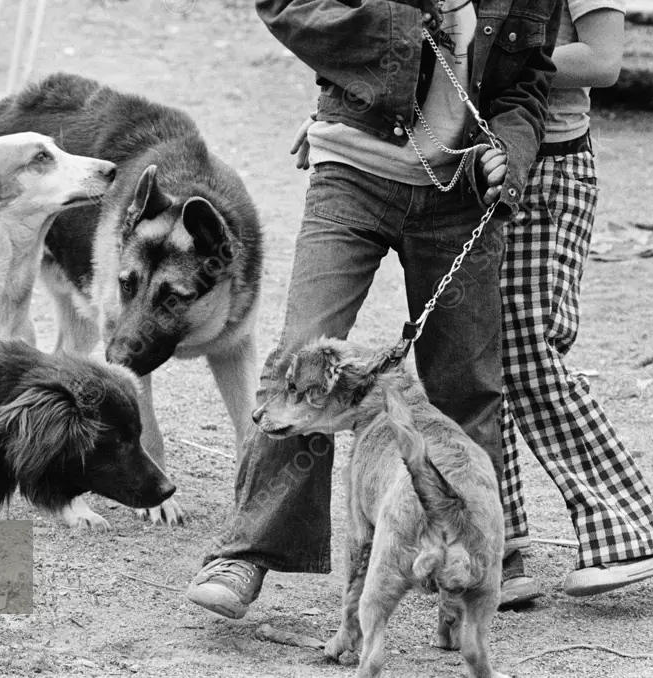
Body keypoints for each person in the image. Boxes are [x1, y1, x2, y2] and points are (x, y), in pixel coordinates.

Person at [186, 0, 563, 620]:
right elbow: (284, 6)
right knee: (300, 355)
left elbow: (525, 88)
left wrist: (510, 155)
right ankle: (249, 549)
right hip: (351, 172)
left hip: (461, 196)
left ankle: (472, 563)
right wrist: (407, 28)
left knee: (466, 380)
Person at [498, 0, 653, 607]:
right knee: (467, 356)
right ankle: (496, 545)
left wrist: (486, 62)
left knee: (527, 352)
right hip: (469, 163)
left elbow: (602, 61)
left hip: (549, 168)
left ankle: (628, 530)